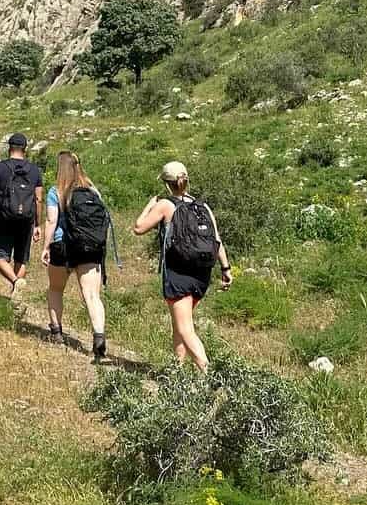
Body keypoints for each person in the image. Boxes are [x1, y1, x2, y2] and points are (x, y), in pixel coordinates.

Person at [132, 160, 232, 370]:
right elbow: (216, 239)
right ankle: (176, 372)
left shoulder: (166, 205)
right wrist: (225, 269)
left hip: (178, 272)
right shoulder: (202, 206)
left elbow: (139, 228)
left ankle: (208, 372)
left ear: (167, 184)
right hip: (202, 274)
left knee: (185, 328)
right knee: (179, 323)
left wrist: (150, 205)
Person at [41, 150, 110, 360]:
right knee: (92, 295)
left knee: (55, 289)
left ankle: (57, 333)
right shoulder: (92, 190)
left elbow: (52, 222)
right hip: (89, 247)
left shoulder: (56, 191)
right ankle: (99, 337)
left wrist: (45, 247)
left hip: (62, 246)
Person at [0, 132, 42, 297]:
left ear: (9, 148)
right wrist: (38, 224)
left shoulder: (0, 167)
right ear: (25, 149)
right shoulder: (34, 170)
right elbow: (39, 199)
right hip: (27, 219)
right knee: (21, 259)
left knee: (0, 257)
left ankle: (15, 283)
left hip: (6, 217)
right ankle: (16, 294)